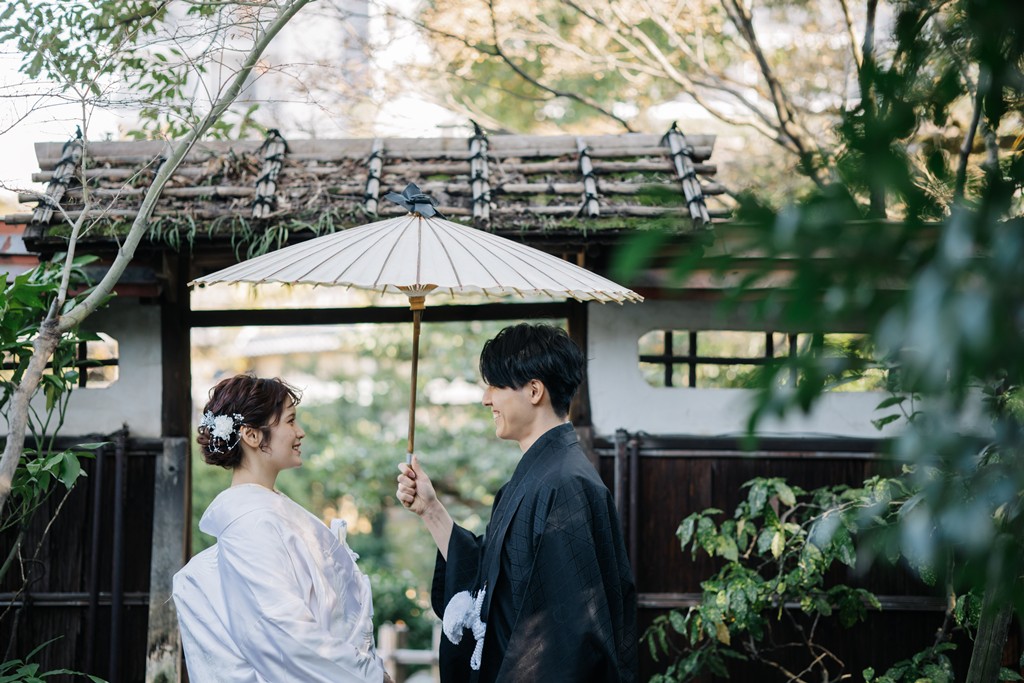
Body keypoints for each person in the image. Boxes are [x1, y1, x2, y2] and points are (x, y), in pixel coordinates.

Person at [396, 323, 638, 682]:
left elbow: (566, 637)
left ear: (534, 390)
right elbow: (492, 582)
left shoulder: (566, 485)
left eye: (495, 385)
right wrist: (430, 509)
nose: (486, 399)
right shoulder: (539, 479)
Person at [173, 374, 389, 683]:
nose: (300, 433)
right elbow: (283, 629)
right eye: (290, 421)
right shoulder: (250, 524)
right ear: (251, 435)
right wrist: (370, 677)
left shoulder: (267, 511)